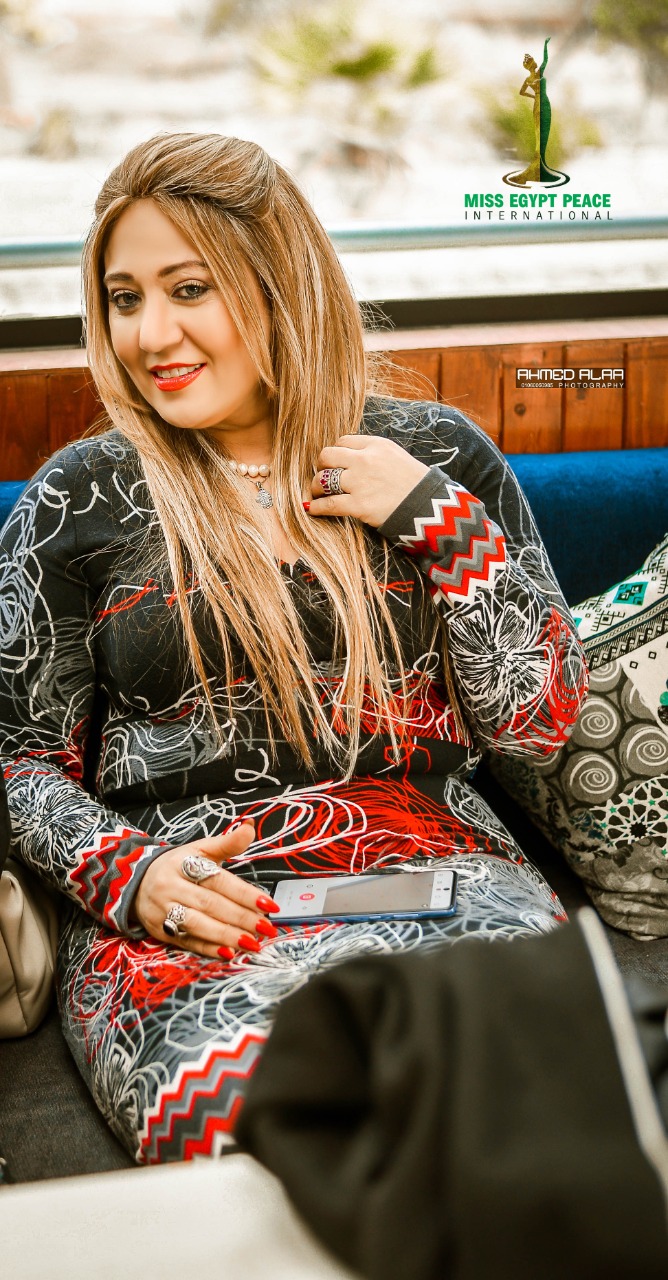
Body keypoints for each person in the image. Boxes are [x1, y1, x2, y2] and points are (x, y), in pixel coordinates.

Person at [0, 132, 588, 1164]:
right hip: (191, 910)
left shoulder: (435, 454)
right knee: (276, 1139)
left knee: (545, 1107)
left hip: (441, 874)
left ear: (280, 282)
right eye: (125, 298)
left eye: (190, 288)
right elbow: (17, 758)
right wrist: (130, 873)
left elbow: (536, 726)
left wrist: (438, 522)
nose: (150, 333)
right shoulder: (77, 498)